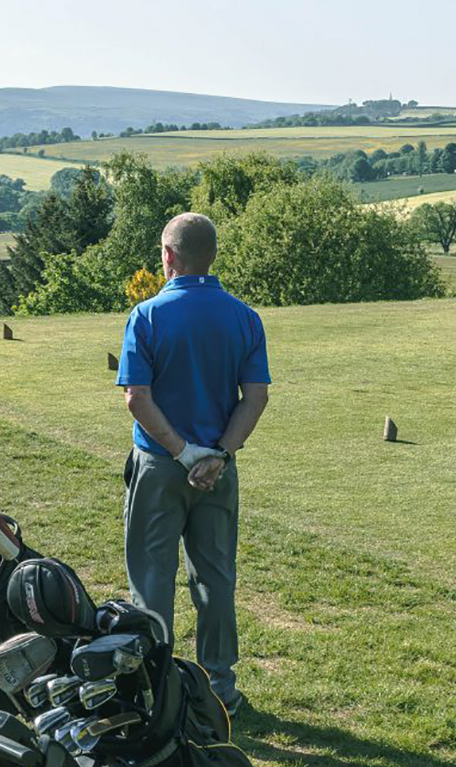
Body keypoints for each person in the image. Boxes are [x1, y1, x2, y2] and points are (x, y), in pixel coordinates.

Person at [117, 213, 270, 717]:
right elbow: (255, 397)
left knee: (151, 578)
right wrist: (219, 454)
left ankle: (154, 688)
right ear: (213, 255)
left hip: (161, 466)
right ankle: (218, 690)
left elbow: (137, 398)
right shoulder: (244, 316)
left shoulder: (147, 315)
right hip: (219, 471)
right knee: (216, 578)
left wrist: (183, 453)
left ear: (168, 257)